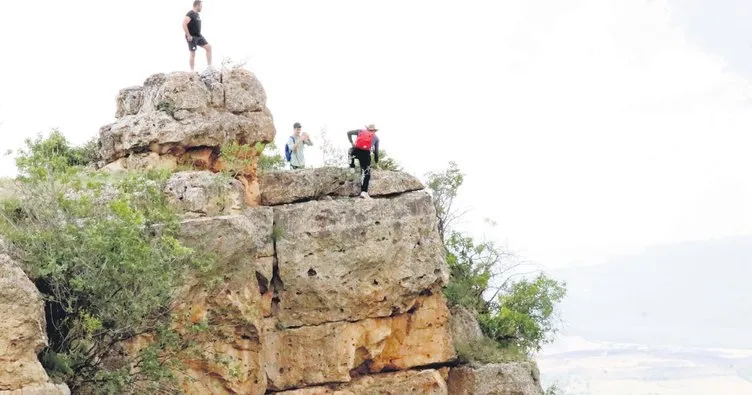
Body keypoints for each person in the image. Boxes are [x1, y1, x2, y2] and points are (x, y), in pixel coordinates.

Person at [347, 124, 380, 199]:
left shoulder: (360, 131)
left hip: (356, 151)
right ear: (374, 131)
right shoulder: (376, 138)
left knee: (350, 151)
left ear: (368, 129)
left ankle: (352, 166)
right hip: (366, 154)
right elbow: (376, 152)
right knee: (366, 172)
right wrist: (377, 162)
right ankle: (364, 192)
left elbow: (348, 133)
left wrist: (351, 142)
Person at [183, 1, 212, 72]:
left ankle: (209, 67)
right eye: (201, 6)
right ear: (197, 5)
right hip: (192, 37)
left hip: (199, 36)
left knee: (209, 47)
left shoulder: (197, 14)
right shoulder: (190, 13)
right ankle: (192, 71)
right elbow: (184, 24)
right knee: (193, 53)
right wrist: (188, 35)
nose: (202, 7)